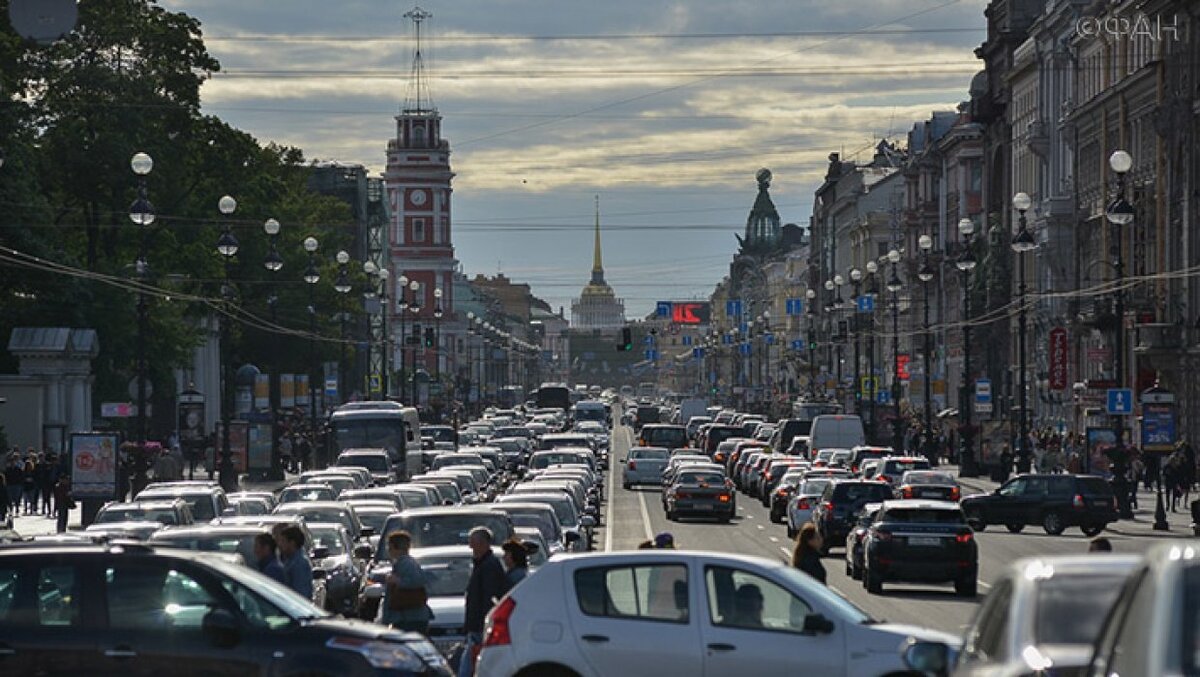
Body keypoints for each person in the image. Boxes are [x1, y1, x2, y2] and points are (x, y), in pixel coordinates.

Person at [461, 526, 506, 677]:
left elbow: (489, 598)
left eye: (473, 542)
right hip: (476, 627)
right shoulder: (482, 565)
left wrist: (483, 623)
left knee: (469, 668)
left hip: (480, 627)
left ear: (483, 543)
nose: (470, 546)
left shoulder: (489, 567)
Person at [381, 530, 433, 633]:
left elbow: (418, 580)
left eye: (389, 547)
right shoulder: (402, 563)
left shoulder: (407, 563)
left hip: (409, 619)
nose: (388, 550)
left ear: (393, 546)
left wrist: (398, 581)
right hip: (407, 618)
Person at [277, 526, 314, 601]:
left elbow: (300, 594)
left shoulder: (299, 563)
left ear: (292, 543)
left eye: (283, 541)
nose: (279, 544)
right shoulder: (289, 561)